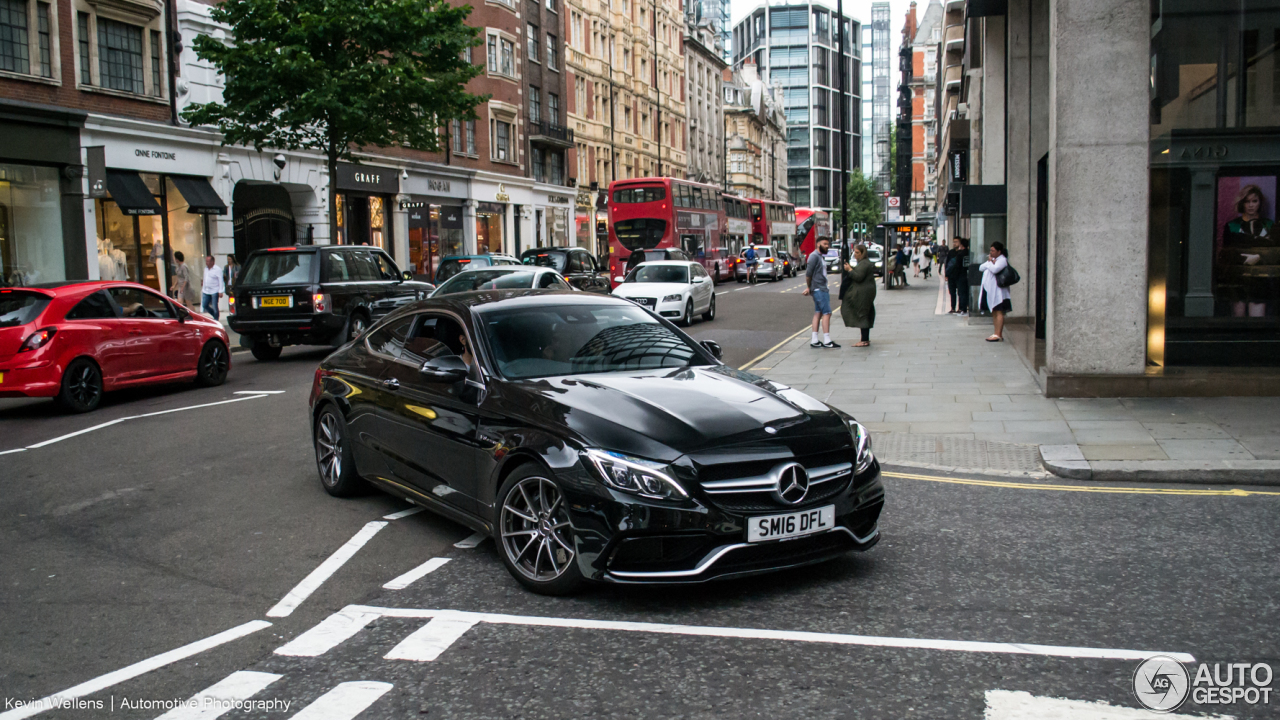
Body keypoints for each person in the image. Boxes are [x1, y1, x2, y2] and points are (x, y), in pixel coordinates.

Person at [1217, 184, 1277, 318]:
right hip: (1238, 278)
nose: (1250, 205)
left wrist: (1259, 257)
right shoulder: (1232, 226)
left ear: (1260, 203)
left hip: (1260, 280)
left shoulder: (1269, 225)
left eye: (1254, 201)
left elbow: (1273, 253)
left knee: (1257, 324)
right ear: (1242, 203)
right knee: (1238, 322)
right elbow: (1227, 253)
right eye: (1247, 201)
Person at [802, 237, 839, 348]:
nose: (827, 246)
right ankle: (827, 341)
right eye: (825, 244)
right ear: (818, 244)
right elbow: (808, 274)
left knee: (818, 312)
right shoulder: (814, 256)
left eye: (828, 244)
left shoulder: (819, 256)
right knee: (827, 313)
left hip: (819, 288)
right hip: (819, 288)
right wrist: (809, 287)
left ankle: (814, 340)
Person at [840, 244, 877, 347]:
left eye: (857, 253)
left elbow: (858, 277)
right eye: (854, 252)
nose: (855, 255)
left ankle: (864, 340)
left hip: (863, 293)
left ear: (862, 253)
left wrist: (849, 270)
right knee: (864, 313)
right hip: (866, 291)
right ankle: (865, 339)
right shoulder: (863, 263)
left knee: (862, 314)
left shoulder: (864, 263)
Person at [978, 241, 1012, 342]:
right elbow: (981, 267)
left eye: (993, 251)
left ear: (999, 251)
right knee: (994, 311)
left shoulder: (1002, 260)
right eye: (990, 250)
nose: (991, 252)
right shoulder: (992, 260)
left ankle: (999, 334)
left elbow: (995, 269)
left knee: (999, 311)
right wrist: (989, 262)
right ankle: (995, 332)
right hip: (990, 290)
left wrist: (990, 264)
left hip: (999, 291)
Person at [945, 237, 971, 316]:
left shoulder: (961, 253)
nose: (954, 243)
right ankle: (953, 307)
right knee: (952, 292)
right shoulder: (951, 252)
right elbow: (947, 263)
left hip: (959, 275)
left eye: (956, 242)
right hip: (952, 276)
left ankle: (960, 308)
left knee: (961, 292)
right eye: (953, 242)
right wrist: (946, 274)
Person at [201, 255, 225, 320]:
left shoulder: (217, 269)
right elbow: (205, 277)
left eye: (208, 261)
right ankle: (214, 315)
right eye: (206, 261)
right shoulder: (205, 269)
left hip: (215, 290)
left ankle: (216, 319)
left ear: (212, 262)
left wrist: (220, 291)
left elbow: (221, 280)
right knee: (204, 305)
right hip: (206, 290)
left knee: (214, 306)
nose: (206, 263)